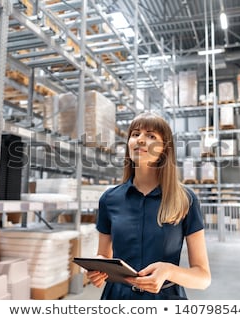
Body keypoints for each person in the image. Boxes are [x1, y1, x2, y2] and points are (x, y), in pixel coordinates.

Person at [87, 111, 211, 299]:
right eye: (135, 134)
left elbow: (203, 277)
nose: (141, 140)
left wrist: (169, 271)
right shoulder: (109, 199)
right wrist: (98, 267)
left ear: (164, 149)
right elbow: (103, 256)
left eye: (151, 136)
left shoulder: (185, 199)